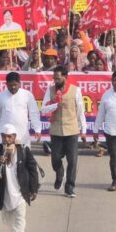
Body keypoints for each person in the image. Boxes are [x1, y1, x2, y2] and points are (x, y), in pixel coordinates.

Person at [0, 124, 40, 232]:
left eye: (9, 136)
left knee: (20, 217)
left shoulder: (23, 150)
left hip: (20, 191)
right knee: (8, 219)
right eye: (4, 136)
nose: (7, 139)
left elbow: (32, 169)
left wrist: (34, 189)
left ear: (14, 137)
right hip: (5, 191)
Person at [41, 66, 87, 198]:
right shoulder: (50, 90)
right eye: (54, 78)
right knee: (55, 159)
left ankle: (69, 187)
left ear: (65, 77)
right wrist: (55, 105)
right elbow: (43, 109)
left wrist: (83, 130)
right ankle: (59, 173)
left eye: (58, 78)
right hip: (56, 130)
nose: (55, 80)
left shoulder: (75, 90)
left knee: (72, 160)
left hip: (72, 130)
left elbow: (80, 111)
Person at [0, 72, 42, 148]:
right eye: (10, 85)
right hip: (5, 135)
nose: (13, 87)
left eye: (15, 85)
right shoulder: (0, 96)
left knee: (23, 157)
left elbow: (34, 113)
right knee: (5, 158)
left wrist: (37, 129)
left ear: (19, 83)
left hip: (22, 134)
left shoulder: (27, 95)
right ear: (6, 84)